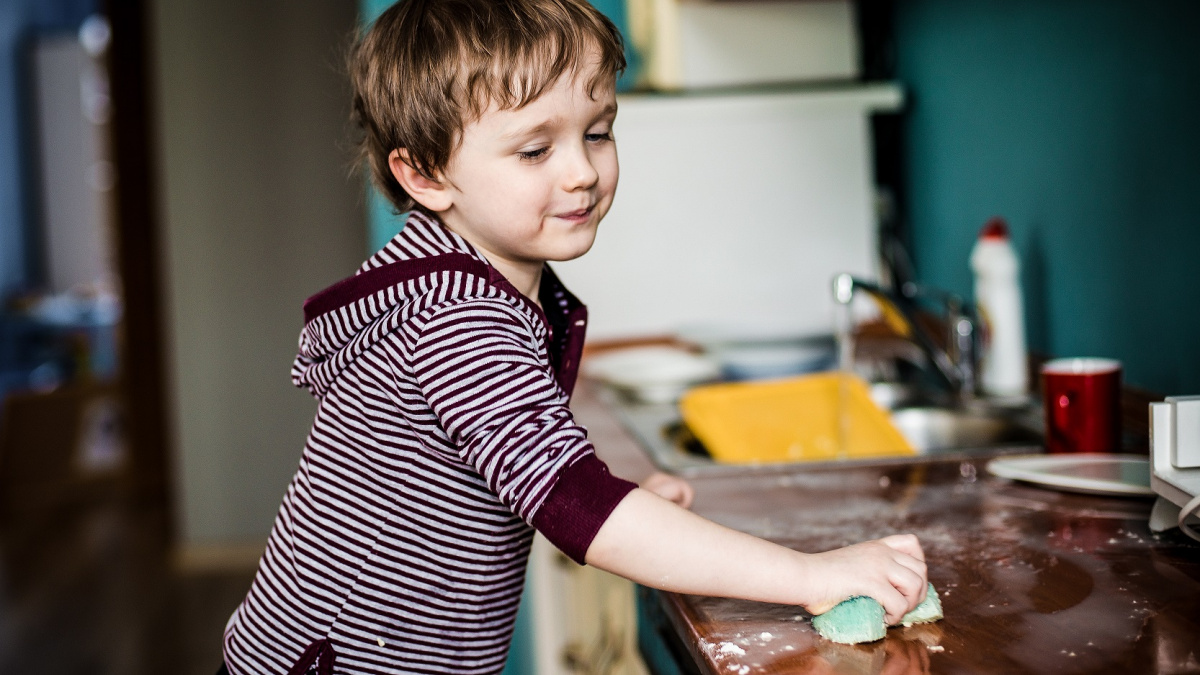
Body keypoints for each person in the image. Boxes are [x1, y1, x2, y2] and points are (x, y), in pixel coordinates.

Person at [220, 0, 928, 673]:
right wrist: (811, 575)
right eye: (535, 150)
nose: (583, 171)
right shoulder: (456, 318)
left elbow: (524, 465)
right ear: (426, 174)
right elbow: (571, 502)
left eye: (597, 132)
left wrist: (623, 503)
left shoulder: (475, 284)